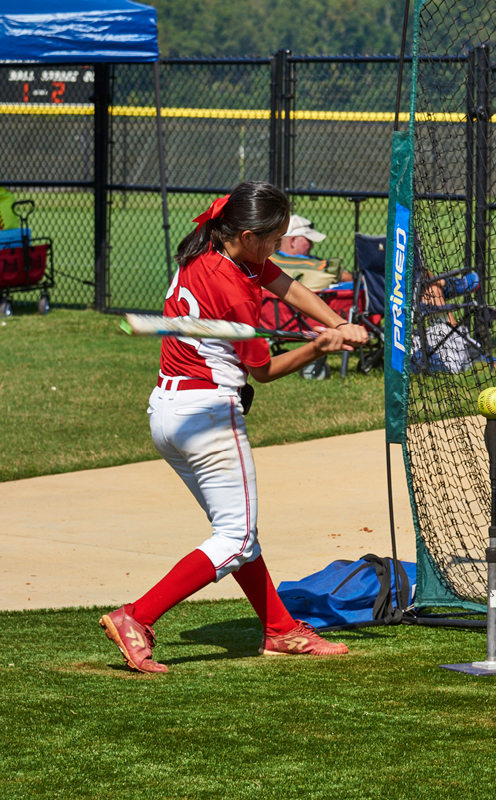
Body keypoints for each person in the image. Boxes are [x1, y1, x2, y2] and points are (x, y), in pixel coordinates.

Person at [99, 181, 369, 674]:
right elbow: (264, 372)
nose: (276, 246)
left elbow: (283, 282)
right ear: (247, 235)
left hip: (169, 413)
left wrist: (338, 321)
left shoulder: (209, 244)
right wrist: (318, 347)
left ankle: (280, 629)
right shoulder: (232, 289)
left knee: (240, 533)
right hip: (208, 416)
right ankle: (136, 616)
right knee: (236, 538)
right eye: (272, 238)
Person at [269, 214, 352, 283]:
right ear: (293, 241)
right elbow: (335, 274)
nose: (312, 245)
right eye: (309, 240)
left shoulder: (270, 260)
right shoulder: (307, 266)